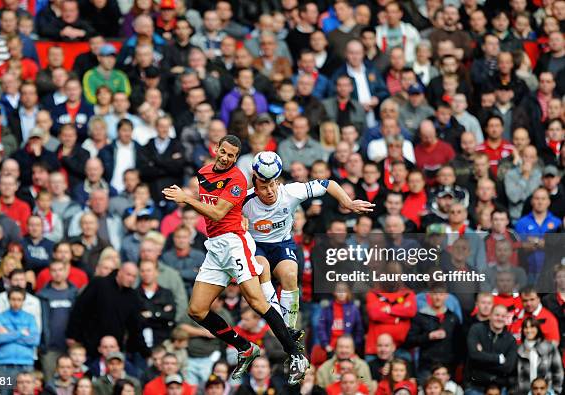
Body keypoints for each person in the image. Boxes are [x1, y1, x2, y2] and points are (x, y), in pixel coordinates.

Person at [162, 135, 309, 384]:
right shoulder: (204, 173)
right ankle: (245, 348)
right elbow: (212, 214)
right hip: (216, 247)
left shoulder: (238, 179)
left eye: (232, 155)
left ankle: (295, 355)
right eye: (224, 152)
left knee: (256, 301)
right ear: (216, 149)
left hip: (234, 243)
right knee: (196, 310)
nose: (226, 158)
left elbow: (218, 213)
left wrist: (186, 199)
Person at [243, 161, 372, 334]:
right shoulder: (244, 200)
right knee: (263, 269)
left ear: (278, 183)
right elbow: (221, 214)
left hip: (282, 243)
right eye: (264, 187)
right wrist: (237, 220)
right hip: (257, 245)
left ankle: (289, 327)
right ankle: (277, 324)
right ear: (255, 189)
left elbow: (328, 184)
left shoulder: (291, 191)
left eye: (272, 185)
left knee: (290, 275)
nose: (270, 191)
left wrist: (347, 203)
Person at [65, 263, 149, 359]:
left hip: (114, 349)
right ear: (120, 272)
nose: (131, 279)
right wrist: (71, 335)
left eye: (134, 276)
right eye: (128, 274)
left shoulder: (133, 296)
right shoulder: (99, 284)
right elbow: (79, 309)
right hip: (90, 343)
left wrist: (145, 351)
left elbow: (135, 326)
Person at [465, 304, 517, 395]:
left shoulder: (511, 340)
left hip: (499, 388)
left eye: (503, 316)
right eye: (497, 315)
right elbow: (473, 355)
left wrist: (482, 357)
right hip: (476, 386)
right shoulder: (477, 329)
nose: (500, 318)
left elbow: (508, 367)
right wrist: (498, 359)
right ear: (490, 316)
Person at [0, 287, 40, 380]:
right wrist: (21, 332)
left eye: (19, 299)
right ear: (8, 300)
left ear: (23, 301)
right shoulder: (0, 317)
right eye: (13, 299)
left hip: (26, 363)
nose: (16, 302)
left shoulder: (30, 318)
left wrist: (8, 333)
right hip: (4, 363)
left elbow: (35, 340)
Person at [515, 317, 563, 395]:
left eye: (532, 327)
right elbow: (513, 374)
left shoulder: (549, 347)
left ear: (538, 329)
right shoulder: (518, 349)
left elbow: (558, 371)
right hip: (524, 392)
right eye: (526, 327)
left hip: (546, 391)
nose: (529, 330)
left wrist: (556, 390)